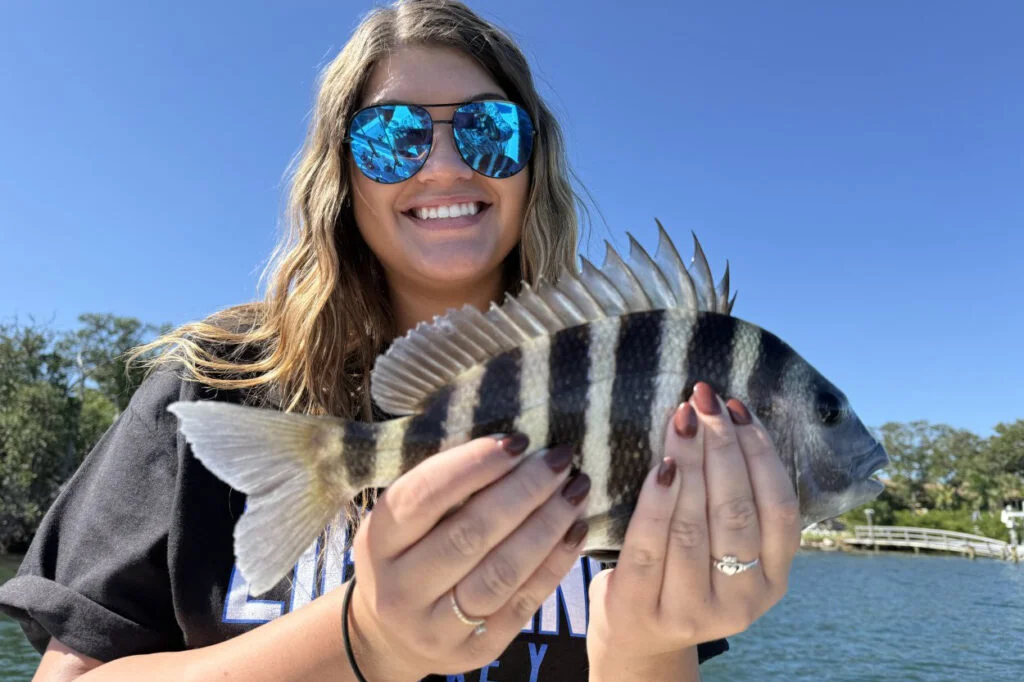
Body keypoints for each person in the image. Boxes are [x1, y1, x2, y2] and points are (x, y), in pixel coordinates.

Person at [0, 1, 802, 680]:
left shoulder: (655, 402)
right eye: (392, 138)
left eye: (489, 131)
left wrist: (650, 648)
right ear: (342, 175)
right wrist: (363, 639)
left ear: (533, 164)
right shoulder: (211, 385)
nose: (446, 165)